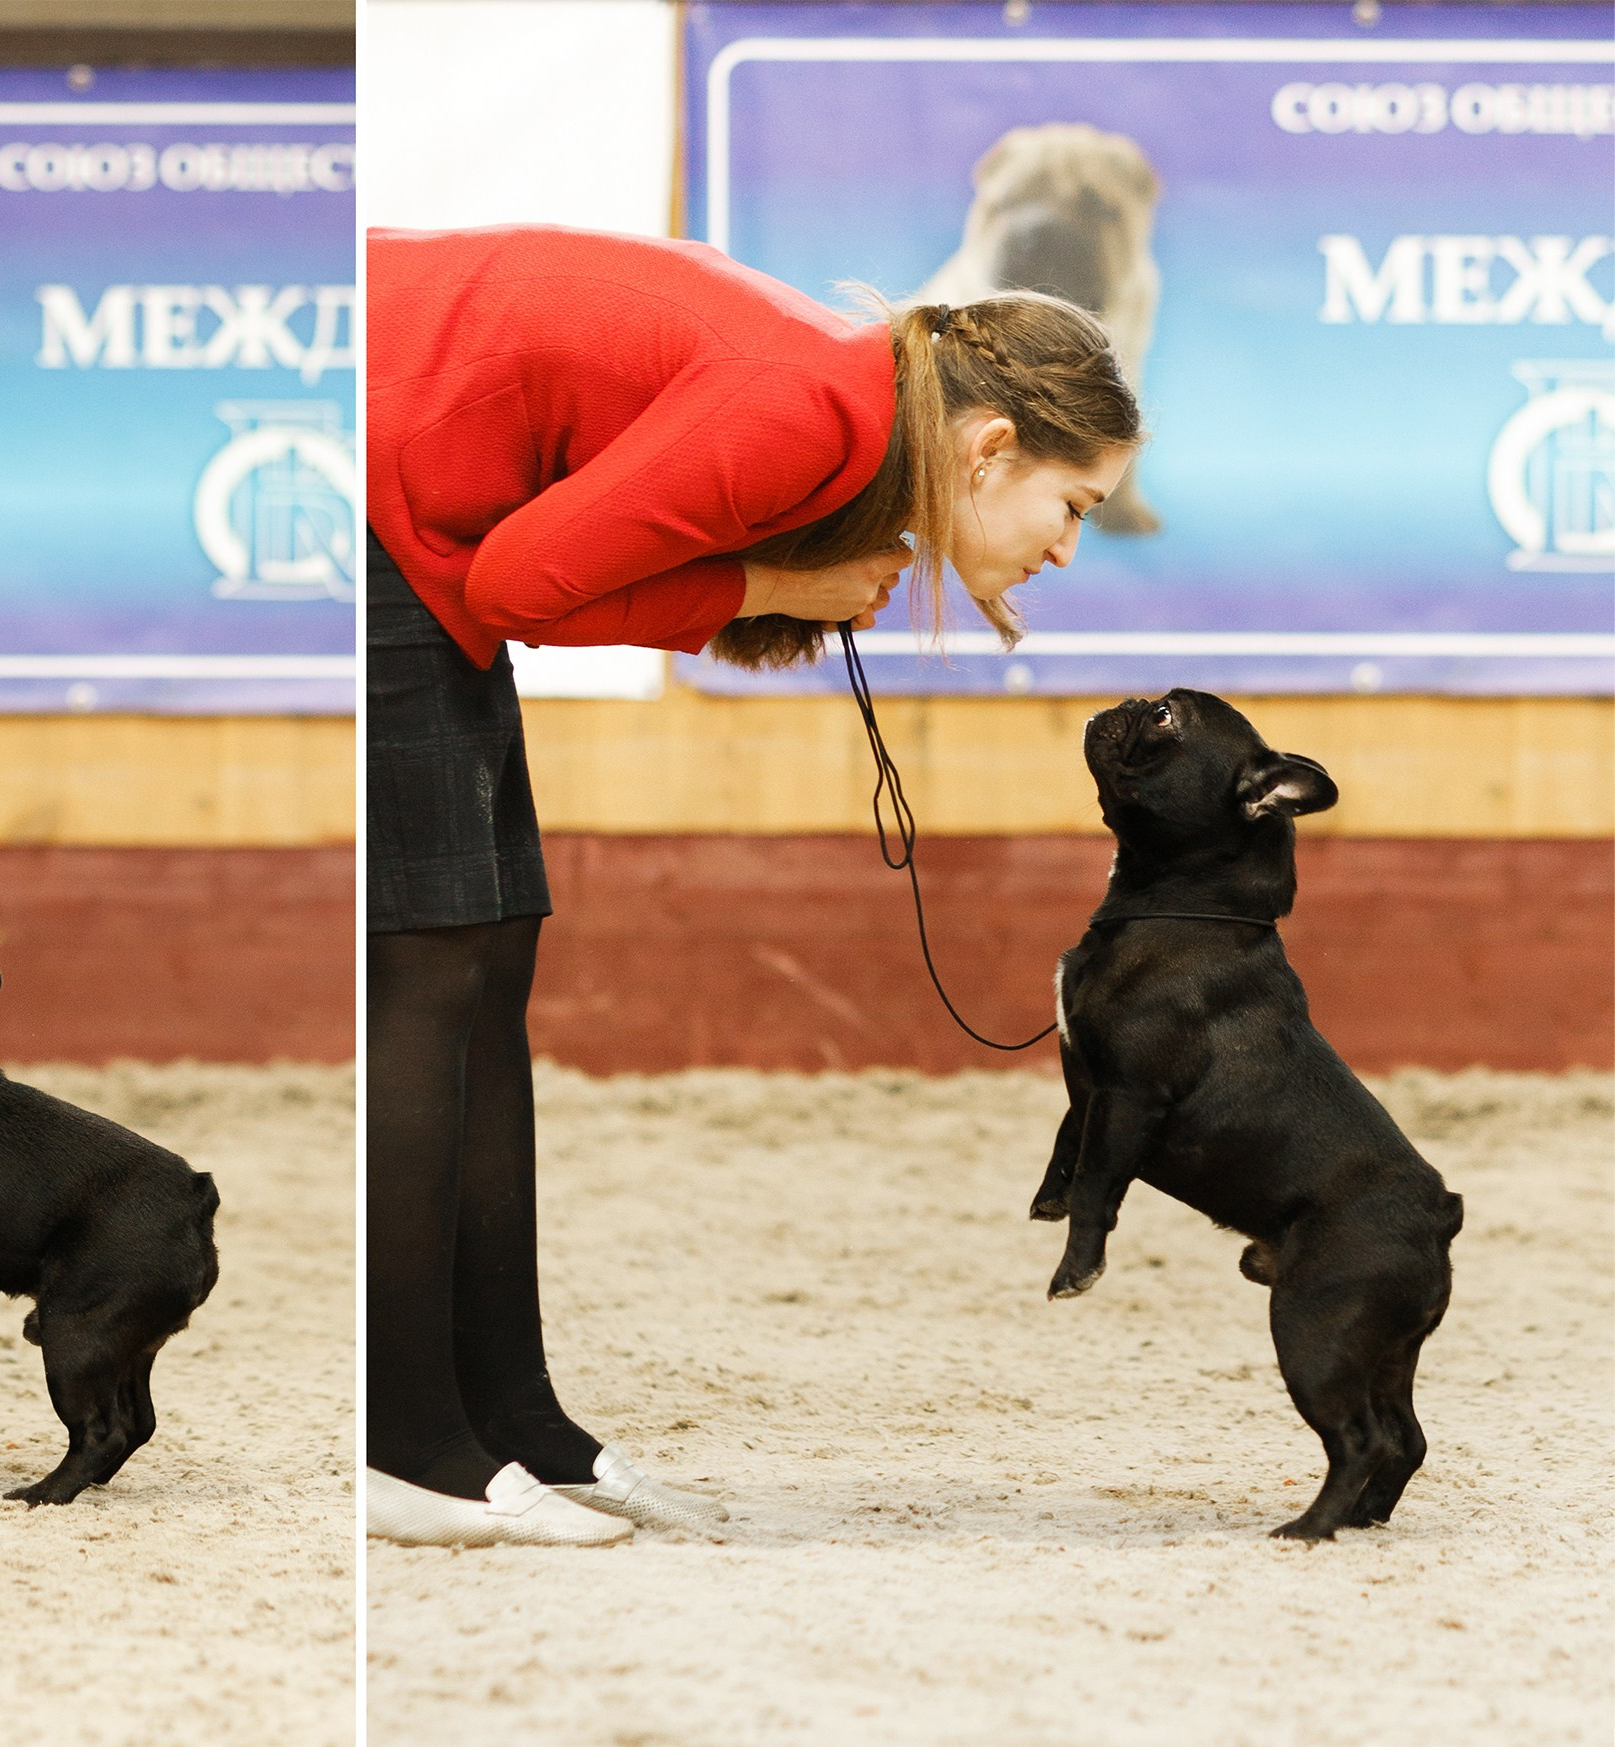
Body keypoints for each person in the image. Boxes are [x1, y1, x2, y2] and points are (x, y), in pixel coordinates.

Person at [364, 225, 1141, 1547]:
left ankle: (514, 1420)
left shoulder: (854, 409)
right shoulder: (813, 412)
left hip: (414, 480)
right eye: (1074, 507)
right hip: (380, 482)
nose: (1068, 549)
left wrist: (775, 580)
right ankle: (406, 1448)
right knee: (436, 968)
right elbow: (515, 585)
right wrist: (770, 580)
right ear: (991, 447)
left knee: (488, 950)